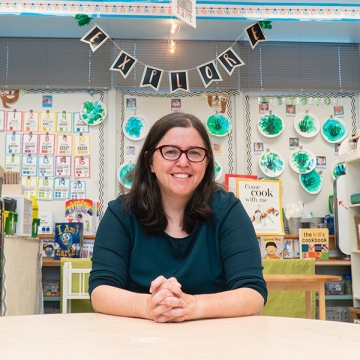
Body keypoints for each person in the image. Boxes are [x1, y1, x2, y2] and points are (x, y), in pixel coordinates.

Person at [89, 112, 267, 323]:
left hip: (216, 342)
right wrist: (148, 306)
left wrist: (191, 306)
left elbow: (253, 294)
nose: (183, 162)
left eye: (194, 153)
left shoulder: (228, 210)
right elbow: (101, 292)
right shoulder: (121, 213)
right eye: (171, 151)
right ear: (150, 163)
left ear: (207, 163)